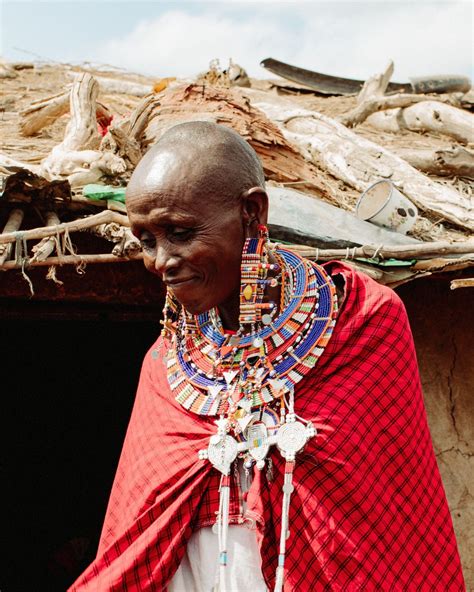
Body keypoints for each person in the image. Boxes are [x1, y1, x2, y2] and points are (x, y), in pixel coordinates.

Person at [70, 122, 465, 591]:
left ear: (251, 210)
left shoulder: (360, 323)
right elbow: (134, 542)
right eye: (146, 241)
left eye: (178, 232)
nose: (160, 260)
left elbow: (388, 524)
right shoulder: (166, 365)